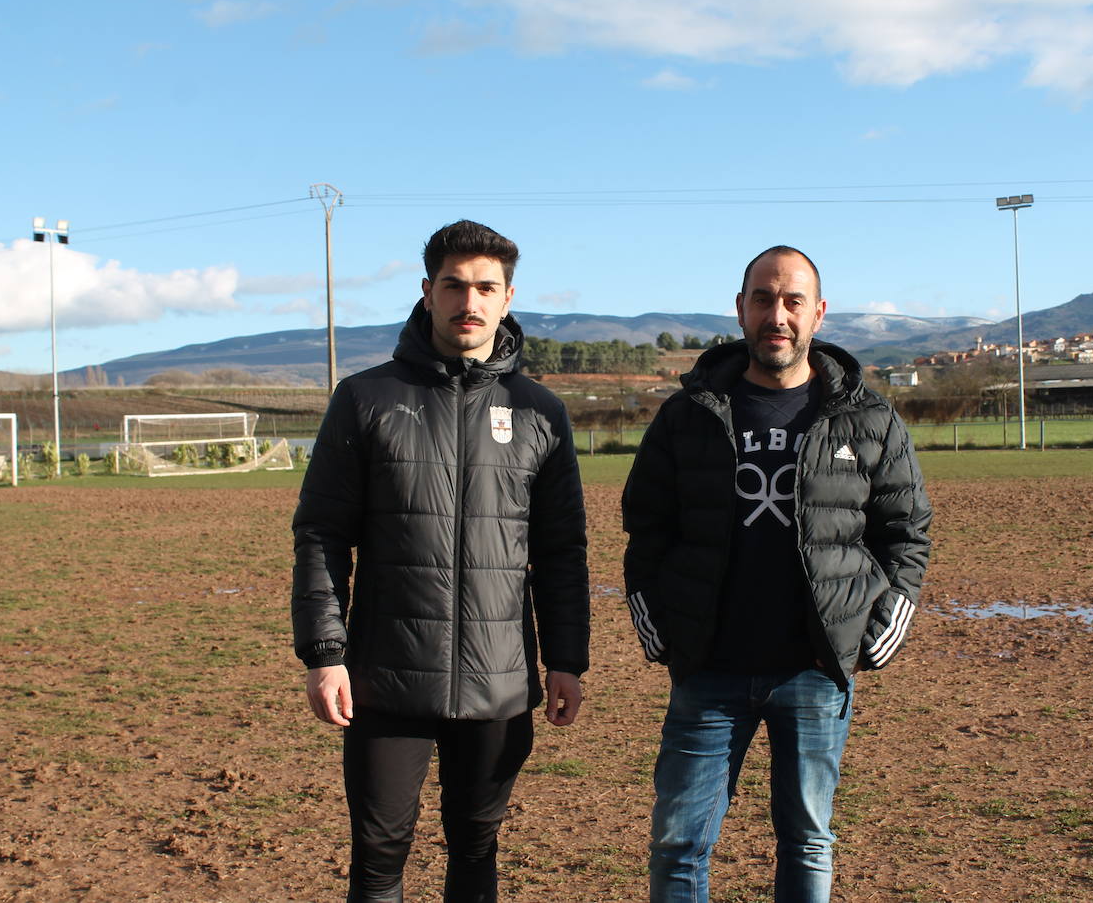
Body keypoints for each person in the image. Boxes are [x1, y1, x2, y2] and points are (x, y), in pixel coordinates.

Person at [622, 245, 933, 902]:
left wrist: (880, 626)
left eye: (793, 301)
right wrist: (660, 628)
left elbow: (906, 533)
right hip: (708, 668)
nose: (777, 314)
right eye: (763, 299)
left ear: (818, 314)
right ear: (740, 309)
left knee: (808, 842)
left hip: (814, 673)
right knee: (679, 846)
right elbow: (646, 530)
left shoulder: (867, 417)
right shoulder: (688, 415)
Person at [292, 219, 590, 903]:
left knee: (476, 845)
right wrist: (324, 653)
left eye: (486, 287)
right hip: (385, 676)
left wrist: (566, 658)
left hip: (499, 676)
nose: (470, 301)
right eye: (454, 285)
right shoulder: (366, 399)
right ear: (427, 292)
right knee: (379, 851)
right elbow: (321, 535)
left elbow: (560, 551)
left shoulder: (540, 410)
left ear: (509, 297)